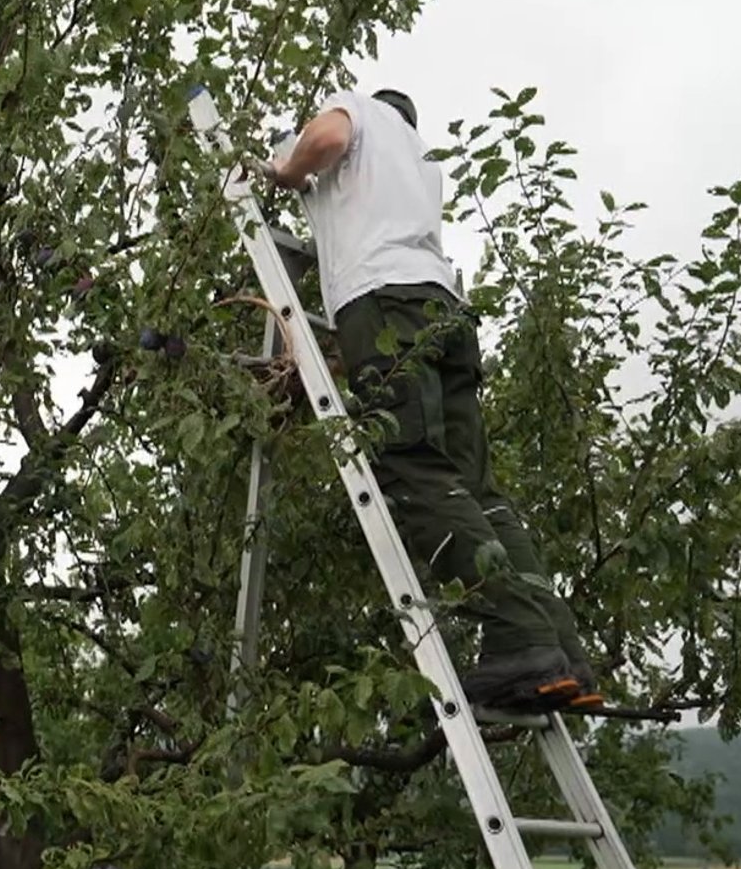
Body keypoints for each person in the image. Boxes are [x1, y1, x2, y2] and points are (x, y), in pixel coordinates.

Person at [250, 88, 601, 712]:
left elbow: (326, 139)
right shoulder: (417, 159)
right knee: (478, 490)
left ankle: (521, 636)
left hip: (383, 301)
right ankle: (563, 652)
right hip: (442, 311)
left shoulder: (356, 109)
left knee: (412, 466)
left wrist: (283, 169)